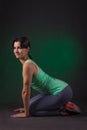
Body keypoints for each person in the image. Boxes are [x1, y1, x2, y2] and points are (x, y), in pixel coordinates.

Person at [11, 36, 80, 118]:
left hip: (62, 92)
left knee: (31, 111)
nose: (16, 51)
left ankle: (63, 109)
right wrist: (26, 108)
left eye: (19, 48)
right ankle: (59, 105)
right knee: (28, 105)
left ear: (27, 49)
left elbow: (25, 91)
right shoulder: (27, 63)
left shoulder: (28, 65)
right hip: (54, 91)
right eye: (14, 48)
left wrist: (26, 112)